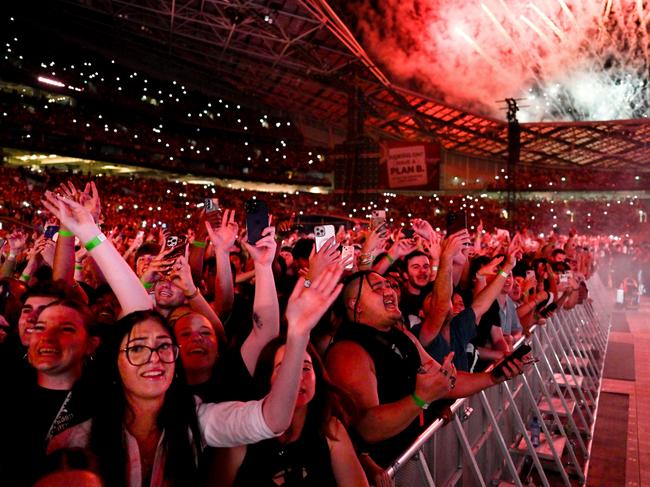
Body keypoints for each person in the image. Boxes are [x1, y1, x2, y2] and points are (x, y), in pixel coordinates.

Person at [325, 269, 527, 468]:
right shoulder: (347, 351)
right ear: (356, 305)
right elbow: (368, 427)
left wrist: (493, 377)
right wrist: (421, 398)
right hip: (388, 469)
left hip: (415, 459)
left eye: (388, 285)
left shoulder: (402, 335)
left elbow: (447, 380)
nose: (389, 291)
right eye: (378, 288)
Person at [220, 339, 368, 487]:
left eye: (305, 368)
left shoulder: (330, 429)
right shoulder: (242, 434)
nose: (298, 378)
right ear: (267, 379)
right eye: (284, 370)